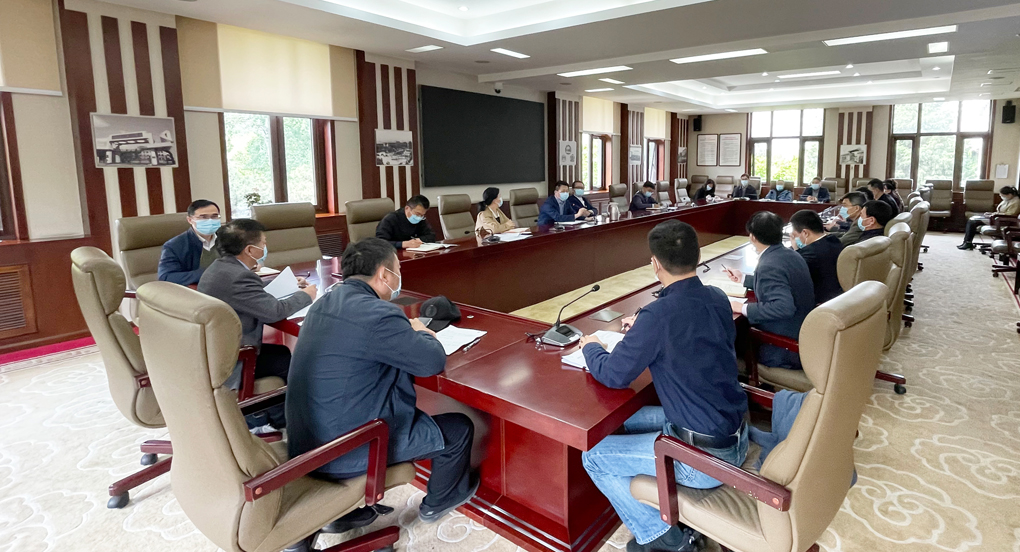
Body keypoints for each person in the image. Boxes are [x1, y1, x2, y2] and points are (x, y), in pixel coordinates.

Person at [579, 220, 748, 552]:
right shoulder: (716, 297)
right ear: (698, 256)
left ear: (655, 263)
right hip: (733, 433)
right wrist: (645, 329)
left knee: (593, 458)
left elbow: (614, 375)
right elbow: (694, 337)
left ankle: (666, 540)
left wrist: (591, 347)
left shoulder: (657, 317)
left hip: (703, 461)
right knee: (624, 421)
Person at [286, 238, 477, 528]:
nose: (399, 276)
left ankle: (340, 511)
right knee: (458, 429)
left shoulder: (322, 303)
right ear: (384, 275)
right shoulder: (378, 314)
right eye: (397, 269)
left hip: (306, 442)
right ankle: (439, 501)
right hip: (346, 448)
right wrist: (420, 331)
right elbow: (431, 362)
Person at [197, 219, 316, 426]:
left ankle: (275, 416)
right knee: (292, 361)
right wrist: (306, 295)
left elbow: (245, 291)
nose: (265, 247)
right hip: (232, 360)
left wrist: (286, 284)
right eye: (263, 243)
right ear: (250, 250)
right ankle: (275, 420)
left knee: (282, 354)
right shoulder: (239, 277)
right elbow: (275, 312)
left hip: (212, 351)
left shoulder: (220, 267)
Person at [724, 212, 814, 369]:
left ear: (752, 237)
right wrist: (743, 278)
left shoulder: (768, 265)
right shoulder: (791, 254)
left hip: (784, 347)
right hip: (803, 332)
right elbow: (782, 281)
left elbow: (784, 307)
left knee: (727, 345)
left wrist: (741, 307)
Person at [157, 199, 221, 285]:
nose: (210, 221)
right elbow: (166, 276)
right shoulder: (174, 245)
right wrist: (207, 273)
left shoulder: (228, 238)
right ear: (190, 220)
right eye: (203, 217)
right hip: (198, 289)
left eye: (214, 216)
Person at [790, 210, 844, 305]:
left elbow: (794, 274)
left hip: (821, 303)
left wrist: (796, 250)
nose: (795, 239)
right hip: (838, 295)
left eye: (795, 235)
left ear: (805, 233)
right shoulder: (833, 240)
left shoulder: (811, 254)